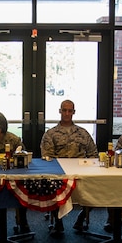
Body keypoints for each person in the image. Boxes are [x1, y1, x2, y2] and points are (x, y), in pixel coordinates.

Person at [40, 99, 98, 234]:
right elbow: (47, 157)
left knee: (98, 188)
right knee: (50, 186)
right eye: (64, 110)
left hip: (80, 173)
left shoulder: (82, 133)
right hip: (59, 173)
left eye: (70, 111)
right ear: (60, 111)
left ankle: (81, 218)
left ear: (74, 112)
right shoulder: (51, 134)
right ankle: (58, 222)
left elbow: (93, 154)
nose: (67, 113)